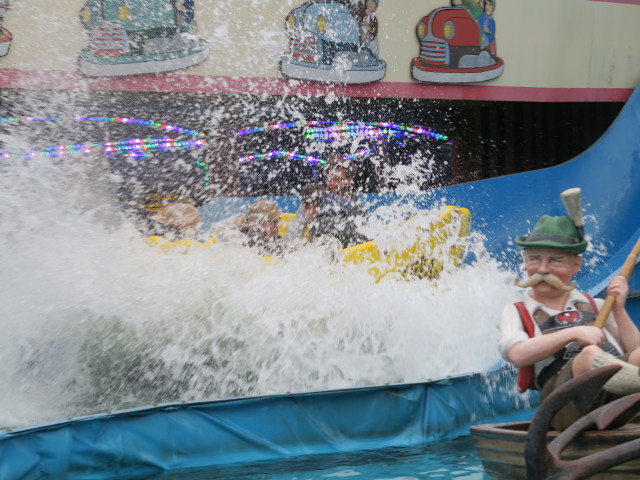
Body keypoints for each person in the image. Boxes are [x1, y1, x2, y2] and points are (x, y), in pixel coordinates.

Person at [498, 215, 639, 431]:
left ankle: (630, 386)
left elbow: (634, 350)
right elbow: (517, 354)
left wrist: (618, 309)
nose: (543, 269)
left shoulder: (597, 305)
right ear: (525, 261)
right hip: (562, 406)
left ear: (576, 265)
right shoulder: (516, 311)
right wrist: (572, 333)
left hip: (614, 403)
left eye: (555, 260)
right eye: (534, 259)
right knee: (588, 355)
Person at [308, 155, 370, 248]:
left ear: (349, 181)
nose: (332, 183)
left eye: (337, 179)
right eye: (329, 179)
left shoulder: (357, 206)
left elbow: (362, 236)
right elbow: (296, 228)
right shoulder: (316, 200)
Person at [283, 183, 326, 250]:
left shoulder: (326, 218)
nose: (305, 210)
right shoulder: (303, 210)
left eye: (306, 207)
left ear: (311, 206)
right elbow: (289, 245)